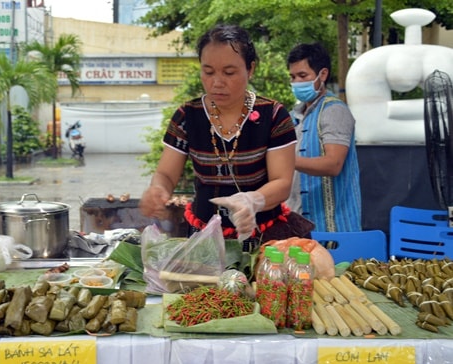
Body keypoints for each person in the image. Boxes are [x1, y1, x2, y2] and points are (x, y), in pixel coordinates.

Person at [139, 24, 314, 252]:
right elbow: (165, 173)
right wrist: (159, 189)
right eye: (208, 72)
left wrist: (253, 201)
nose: (217, 82)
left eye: (229, 72)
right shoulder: (187, 116)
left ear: (250, 69)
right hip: (205, 237)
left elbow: (282, 182)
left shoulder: (273, 116)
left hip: (265, 235)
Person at [285, 42, 362, 232]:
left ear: (323, 74)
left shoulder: (334, 111)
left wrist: (285, 160)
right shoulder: (297, 115)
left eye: (303, 76)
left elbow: (333, 164)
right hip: (298, 224)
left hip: (333, 231)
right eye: (293, 77)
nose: (296, 83)